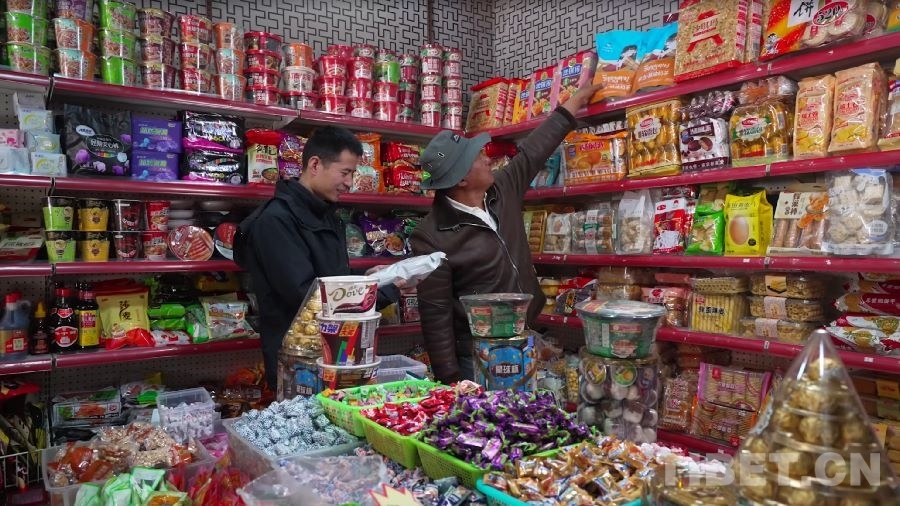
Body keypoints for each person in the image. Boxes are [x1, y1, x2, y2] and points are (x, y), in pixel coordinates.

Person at [409, 81, 601, 384]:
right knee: (485, 415)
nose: (487, 158)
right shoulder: (431, 235)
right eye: (477, 157)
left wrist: (576, 99)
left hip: (523, 338)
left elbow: (534, 151)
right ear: (461, 180)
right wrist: (451, 382)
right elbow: (436, 315)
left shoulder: (501, 190)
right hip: (476, 353)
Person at [237, 126, 400, 389]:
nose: (349, 183)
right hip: (299, 362)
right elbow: (306, 297)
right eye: (345, 172)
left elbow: (330, 277)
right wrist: (384, 292)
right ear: (315, 164)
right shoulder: (276, 221)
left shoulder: (326, 215)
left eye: (353, 174)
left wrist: (370, 279)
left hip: (335, 353)